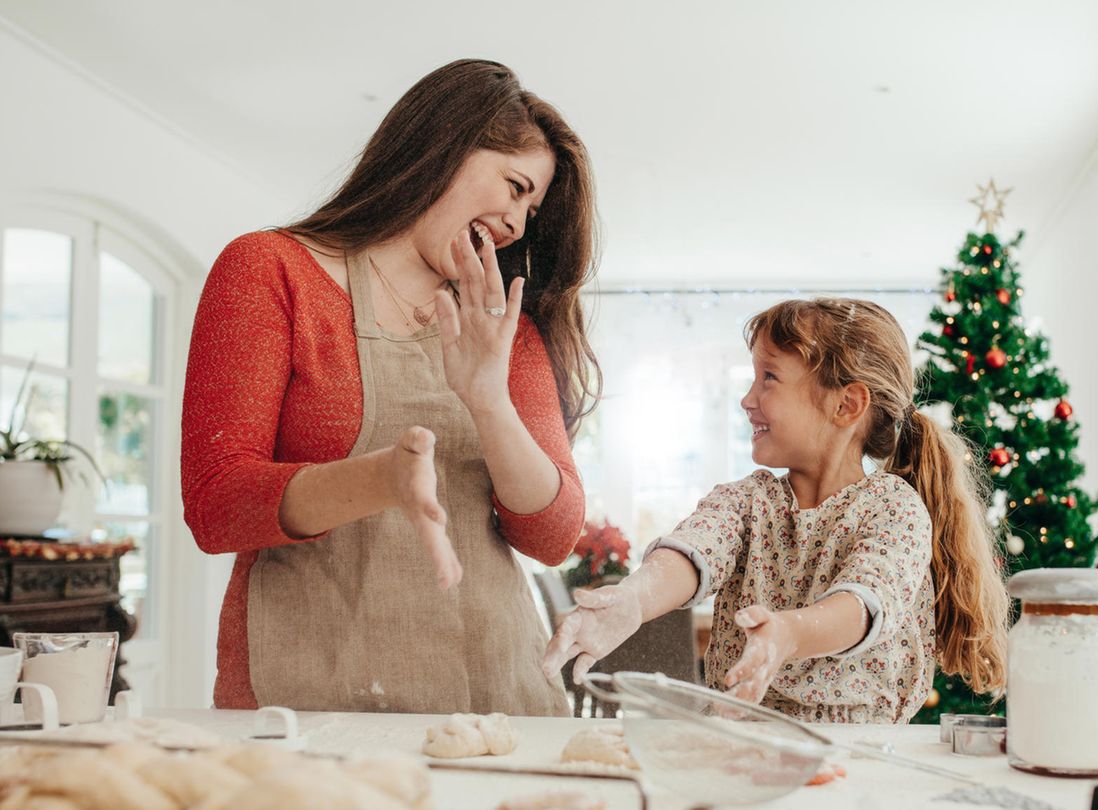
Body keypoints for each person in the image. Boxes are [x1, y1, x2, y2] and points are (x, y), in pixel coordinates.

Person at [181, 59, 599, 715]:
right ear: (446, 146)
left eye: (532, 210)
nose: (518, 223)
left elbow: (552, 536)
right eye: (515, 186)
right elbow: (216, 504)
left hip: (490, 691)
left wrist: (488, 400)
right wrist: (382, 481)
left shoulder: (506, 331)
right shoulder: (272, 270)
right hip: (305, 698)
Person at [543, 298, 1008, 723]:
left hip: (855, 757)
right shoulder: (748, 501)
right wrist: (633, 600)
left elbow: (865, 602)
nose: (747, 399)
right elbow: (692, 552)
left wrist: (788, 634)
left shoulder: (893, 508)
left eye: (769, 377)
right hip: (741, 746)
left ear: (846, 404)